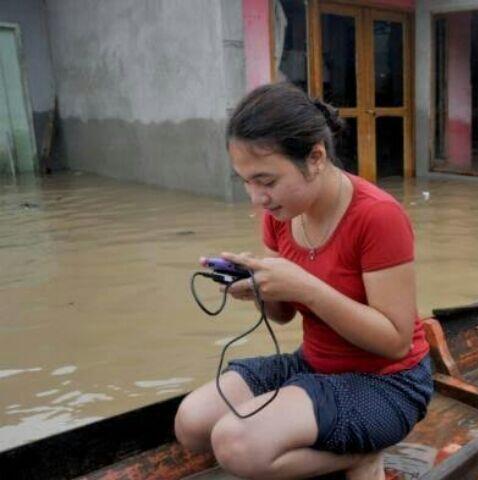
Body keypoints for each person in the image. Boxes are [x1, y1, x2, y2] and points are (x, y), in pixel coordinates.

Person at [174, 82, 432, 480]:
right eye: (246, 181)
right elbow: (282, 317)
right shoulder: (281, 214)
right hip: (313, 365)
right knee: (191, 423)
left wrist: (305, 286)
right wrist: (258, 289)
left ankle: (359, 457)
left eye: (267, 181)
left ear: (315, 157)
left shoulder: (378, 216)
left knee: (235, 444)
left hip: (387, 383)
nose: (257, 197)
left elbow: (396, 341)